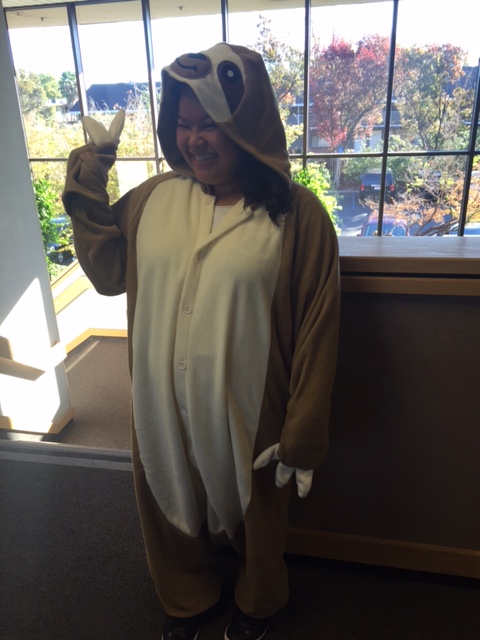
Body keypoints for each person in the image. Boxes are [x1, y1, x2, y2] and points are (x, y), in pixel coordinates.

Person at [63, 42, 340, 640]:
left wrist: (304, 429)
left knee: (256, 510)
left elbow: (318, 328)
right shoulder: (155, 198)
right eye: (184, 124)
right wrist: (89, 178)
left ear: (246, 122)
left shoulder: (298, 216)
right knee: (169, 496)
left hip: (248, 406)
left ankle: (258, 602)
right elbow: (109, 272)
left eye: (209, 123)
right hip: (158, 401)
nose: (194, 140)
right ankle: (186, 597)